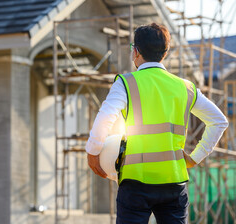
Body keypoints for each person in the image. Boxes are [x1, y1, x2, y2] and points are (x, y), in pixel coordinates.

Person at [86, 23, 228, 224]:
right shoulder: (185, 87)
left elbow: (105, 118)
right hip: (174, 182)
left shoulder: (126, 83)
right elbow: (219, 121)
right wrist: (196, 157)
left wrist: (93, 153)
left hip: (135, 183)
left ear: (135, 52)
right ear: (166, 52)